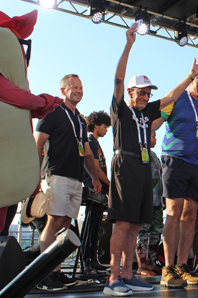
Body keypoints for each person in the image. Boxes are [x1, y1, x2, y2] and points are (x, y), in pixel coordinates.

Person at [105, 22, 198, 296]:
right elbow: (117, 80)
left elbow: (171, 97)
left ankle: (129, 274)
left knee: (138, 224)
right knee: (123, 223)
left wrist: (190, 76)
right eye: (140, 92)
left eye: (147, 93)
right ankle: (113, 277)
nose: (145, 96)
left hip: (143, 167)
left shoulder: (146, 112)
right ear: (129, 93)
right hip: (124, 164)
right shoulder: (120, 109)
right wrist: (128, 45)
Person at [152, 56, 198, 288]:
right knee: (173, 212)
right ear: (191, 80)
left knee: (190, 214)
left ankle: (182, 265)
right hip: (174, 160)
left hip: (196, 164)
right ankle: (167, 267)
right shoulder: (177, 98)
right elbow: (156, 122)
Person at [34, 74, 101, 291]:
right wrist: (36, 174)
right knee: (54, 222)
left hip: (75, 179)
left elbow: (87, 153)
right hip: (56, 175)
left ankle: (56, 271)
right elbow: (39, 142)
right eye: (74, 87)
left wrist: (93, 177)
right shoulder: (53, 112)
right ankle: (44, 274)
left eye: (81, 87)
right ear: (63, 90)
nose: (79, 90)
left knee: (64, 224)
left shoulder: (80, 120)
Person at [82, 110, 111, 276]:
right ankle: (88, 260)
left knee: (95, 226)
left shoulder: (95, 143)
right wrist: (110, 185)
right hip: (93, 189)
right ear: (96, 125)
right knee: (91, 227)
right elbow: (96, 169)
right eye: (104, 126)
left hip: (98, 190)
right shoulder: (91, 142)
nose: (106, 130)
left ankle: (92, 258)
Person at [136, 131, 164, 276]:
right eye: (153, 136)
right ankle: (142, 265)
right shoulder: (140, 153)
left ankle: (152, 263)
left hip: (157, 200)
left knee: (156, 231)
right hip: (145, 200)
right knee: (143, 232)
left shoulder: (155, 156)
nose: (155, 139)